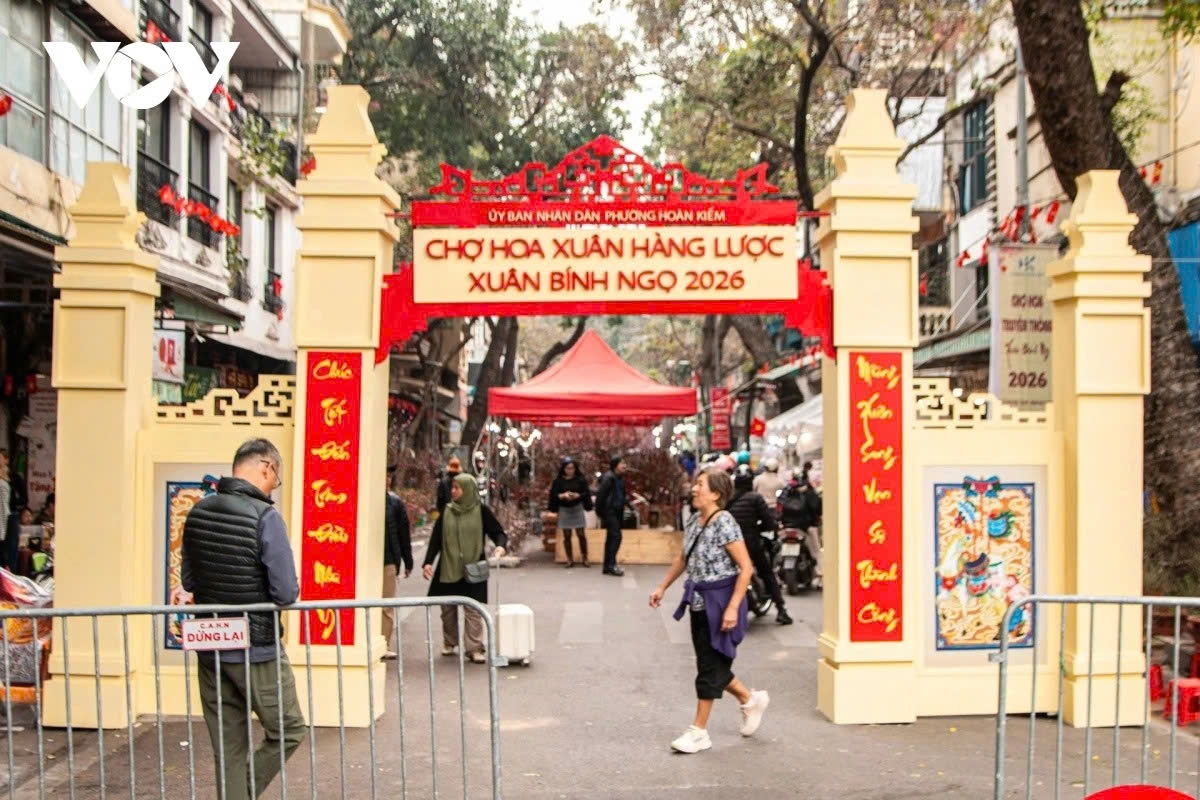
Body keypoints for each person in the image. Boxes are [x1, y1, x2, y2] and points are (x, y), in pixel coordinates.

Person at [181, 438, 306, 800]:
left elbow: (190, 581)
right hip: (257, 649)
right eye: (275, 479)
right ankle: (245, 792)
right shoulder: (265, 517)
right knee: (289, 728)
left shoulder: (198, 512)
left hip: (211, 649)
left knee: (228, 748)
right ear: (266, 468)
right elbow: (285, 593)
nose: (273, 487)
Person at [649, 468, 769, 754]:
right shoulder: (693, 520)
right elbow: (683, 558)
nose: (694, 489)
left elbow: (746, 567)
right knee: (710, 662)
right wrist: (662, 587)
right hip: (699, 603)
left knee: (709, 667)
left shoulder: (724, 521)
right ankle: (749, 698)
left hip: (721, 601)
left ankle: (699, 731)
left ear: (716, 493)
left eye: (700, 484)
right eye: (695, 484)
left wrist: (732, 607)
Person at [422, 473, 507, 662]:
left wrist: (500, 546)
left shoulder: (481, 510)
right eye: (452, 487)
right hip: (448, 567)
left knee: (473, 611)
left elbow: (498, 532)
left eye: (457, 488)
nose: (453, 491)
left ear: (468, 489)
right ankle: (449, 642)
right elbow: (436, 540)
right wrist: (428, 562)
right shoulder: (447, 511)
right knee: (448, 610)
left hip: (473, 568)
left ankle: (474, 648)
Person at [728, 465, 792, 625]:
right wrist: (763, 528)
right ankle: (781, 610)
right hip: (750, 542)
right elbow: (769, 522)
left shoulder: (729, 500)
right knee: (766, 572)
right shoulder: (755, 498)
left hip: (730, 545)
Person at [382, 464, 413, 659]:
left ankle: (384, 643)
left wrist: (407, 560)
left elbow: (403, 534)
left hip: (388, 561)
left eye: (388, 478)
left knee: (386, 605)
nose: (386, 480)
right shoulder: (363, 500)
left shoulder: (395, 504)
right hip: (363, 564)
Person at [779, 469, 824, 588]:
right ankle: (820, 575)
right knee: (817, 552)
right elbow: (817, 508)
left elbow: (779, 506)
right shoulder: (809, 491)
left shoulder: (787, 489)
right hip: (807, 527)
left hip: (788, 526)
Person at [548, 457, 593, 568]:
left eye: (572, 468)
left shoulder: (580, 479)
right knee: (567, 535)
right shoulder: (558, 481)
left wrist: (578, 495)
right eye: (567, 468)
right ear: (563, 469)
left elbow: (586, 492)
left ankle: (585, 557)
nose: (570, 471)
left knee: (581, 534)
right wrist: (562, 495)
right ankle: (569, 559)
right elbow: (553, 495)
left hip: (577, 507)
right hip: (564, 508)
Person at [594, 456, 633, 577]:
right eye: (622, 463)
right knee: (616, 537)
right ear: (615, 465)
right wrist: (600, 512)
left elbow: (621, 495)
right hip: (609, 511)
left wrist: (629, 506)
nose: (625, 466)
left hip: (617, 511)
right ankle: (611, 565)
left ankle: (607, 566)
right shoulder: (609, 478)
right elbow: (601, 495)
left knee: (611, 538)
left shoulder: (619, 478)